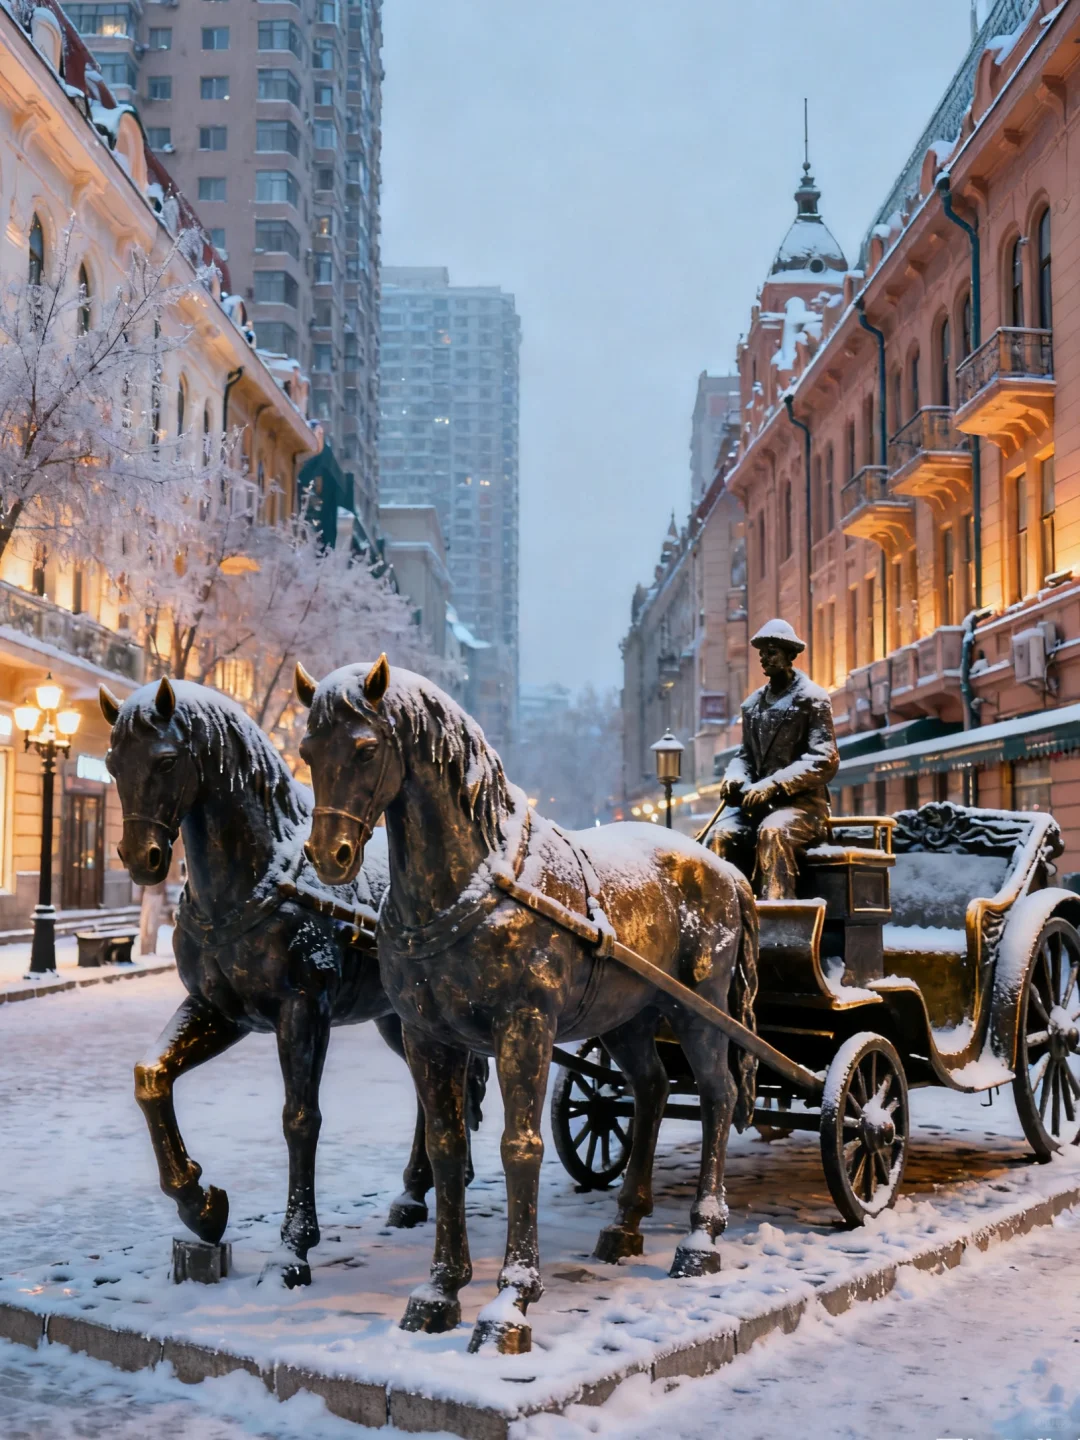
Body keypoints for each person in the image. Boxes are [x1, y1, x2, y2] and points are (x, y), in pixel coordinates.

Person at [698, 618, 838, 900]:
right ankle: (724, 919)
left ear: (789, 655)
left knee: (774, 833)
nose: (764, 658)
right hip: (755, 809)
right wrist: (736, 778)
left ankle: (778, 917)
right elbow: (745, 755)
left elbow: (825, 758)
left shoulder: (812, 699)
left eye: (771, 651)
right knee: (719, 837)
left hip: (803, 809)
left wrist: (774, 784)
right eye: (761, 652)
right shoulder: (752, 705)